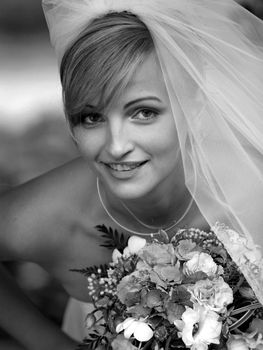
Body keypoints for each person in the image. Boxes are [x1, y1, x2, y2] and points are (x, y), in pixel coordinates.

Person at [0, 0, 263, 348]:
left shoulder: (252, 185)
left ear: (193, 102)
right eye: (91, 117)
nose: (116, 145)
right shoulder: (48, 214)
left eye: (143, 112)